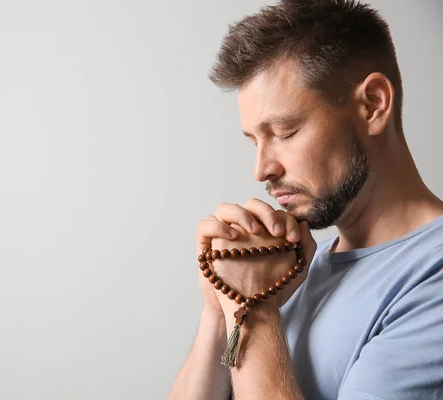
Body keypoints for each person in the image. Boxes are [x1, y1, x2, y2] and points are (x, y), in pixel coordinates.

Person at [168, 0, 443, 399]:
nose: (261, 170)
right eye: (254, 140)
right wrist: (221, 301)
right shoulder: (291, 267)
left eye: (283, 131)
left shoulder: (431, 277)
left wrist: (255, 310)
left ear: (373, 105)